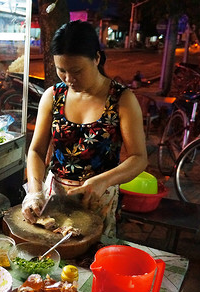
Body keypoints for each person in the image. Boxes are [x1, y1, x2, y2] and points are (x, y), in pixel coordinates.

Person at [21, 21, 148, 239]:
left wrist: (103, 181)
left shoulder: (121, 99)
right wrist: (35, 191)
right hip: (53, 196)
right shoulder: (53, 96)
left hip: (98, 198)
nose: (69, 79)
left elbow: (139, 158)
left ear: (97, 59)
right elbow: (36, 152)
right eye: (62, 71)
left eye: (77, 71)